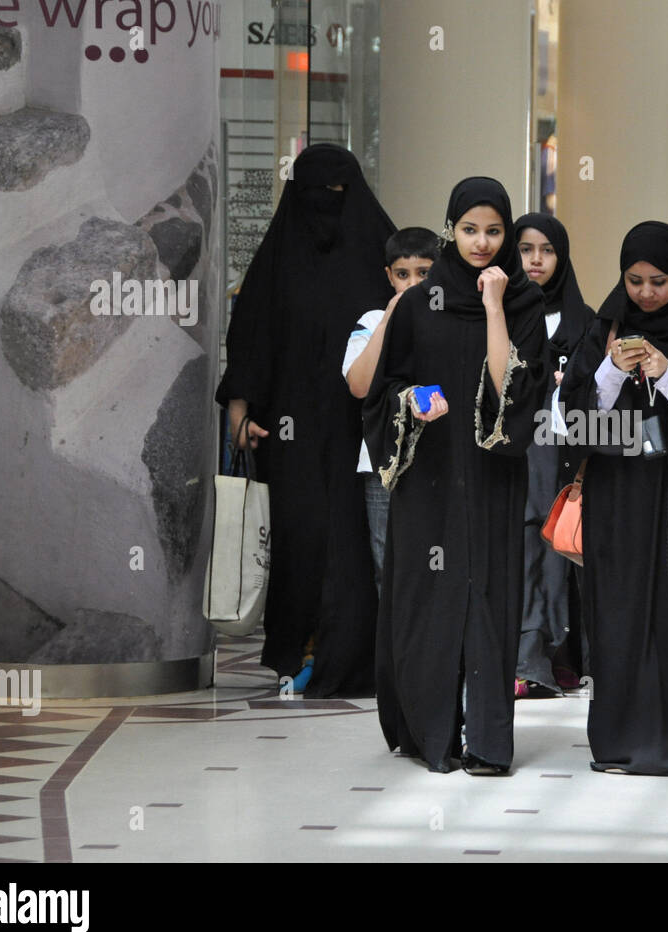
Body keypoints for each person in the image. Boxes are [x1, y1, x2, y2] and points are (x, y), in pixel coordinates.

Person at [364, 177, 548, 774]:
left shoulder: (521, 304)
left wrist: (496, 307)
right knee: (430, 597)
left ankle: (489, 743)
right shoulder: (420, 304)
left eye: (495, 232)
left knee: (491, 597)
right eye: (469, 229)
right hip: (433, 475)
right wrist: (411, 399)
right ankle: (431, 730)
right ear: (451, 229)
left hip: (493, 477)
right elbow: (379, 392)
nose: (481, 242)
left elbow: (513, 390)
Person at [558, 222, 668, 776]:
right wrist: (612, 371)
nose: (645, 293)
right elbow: (571, 417)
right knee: (616, 612)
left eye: (659, 281)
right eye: (634, 280)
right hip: (619, 499)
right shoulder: (605, 328)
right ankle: (618, 741)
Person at [216, 143, 395, 696]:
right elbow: (252, 332)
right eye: (315, 193)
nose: (326, 204)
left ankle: (359, 651)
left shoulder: (377, 252)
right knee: (299, 536)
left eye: (337, 194)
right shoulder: (278, 258)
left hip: (358, 427)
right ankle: (298, 648)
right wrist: (241, 409)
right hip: (288, 428)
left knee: (353, 535)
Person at [511, 212, 594, 698]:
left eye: (547, 250)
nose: (536, 260)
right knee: (522, 553)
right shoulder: (499, 312)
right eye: (525, 249)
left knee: (558, 555)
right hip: (516, 457)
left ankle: (556, 656)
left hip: (565, 458)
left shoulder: (584, 320)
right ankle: (525, 659)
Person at [343, 227, 439, 599]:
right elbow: (359, 385)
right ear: (389, 276)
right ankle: (397, 657)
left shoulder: (453, 320)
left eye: (424, 273)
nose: (413, 284)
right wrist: (389, 320)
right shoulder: (370, 322)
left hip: (440, 462)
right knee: (391, 569)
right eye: (403, 274)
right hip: (384, 465)